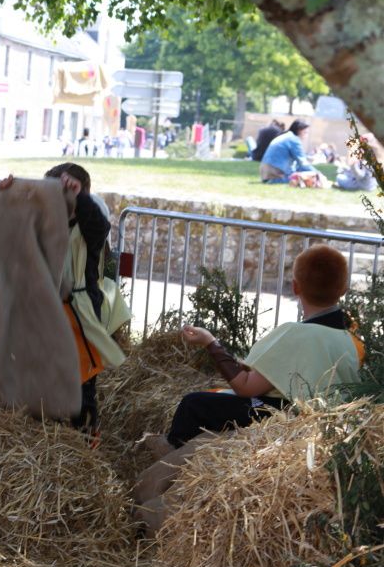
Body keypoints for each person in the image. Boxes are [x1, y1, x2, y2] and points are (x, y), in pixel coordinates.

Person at [146, 244, 364, 458]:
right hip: (326, 424)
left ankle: (171, 452)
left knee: (194, 404)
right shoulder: (353, 340)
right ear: (343, 289)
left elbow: (245, 386)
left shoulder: (295, 334)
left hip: (285, 418)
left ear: (296, 287)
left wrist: (210, 342)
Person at [45, 163, 130, 440]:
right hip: (49, 309)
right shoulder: (46, 222)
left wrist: (78, 195)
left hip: (81, 309)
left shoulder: (89, 227)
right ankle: (51, 430)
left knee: (82, 378)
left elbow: (99, 223)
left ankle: (85, 437)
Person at [259, 120, 323, 185]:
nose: (307, 134)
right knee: (303, 177)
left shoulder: (287, 136)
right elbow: (303, 163)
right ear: (299, 130)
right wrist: (318, 174)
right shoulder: (294, 140)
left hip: (265, 173)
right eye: (305, 132)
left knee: (299, 171)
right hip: (275, 174)